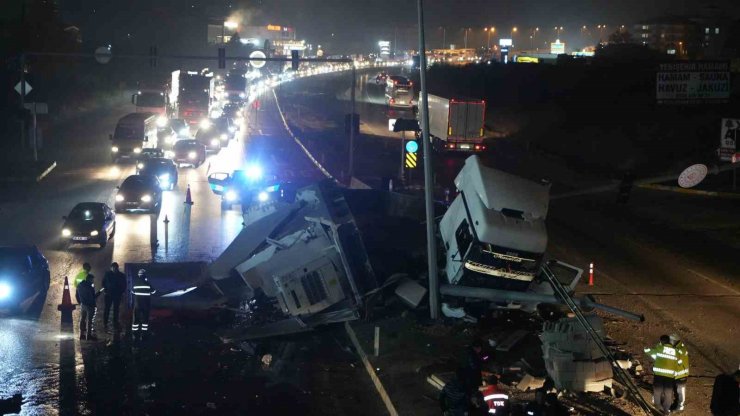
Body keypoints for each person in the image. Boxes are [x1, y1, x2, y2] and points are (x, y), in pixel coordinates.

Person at [644, 334, 678, 414]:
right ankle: (666, 410)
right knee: (668, 392)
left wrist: (646, 348)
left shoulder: (660, 348)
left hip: (659, 374)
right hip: (670, 376)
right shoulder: (675, 351)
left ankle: (657, 407)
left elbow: (648, 351)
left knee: (658, 391)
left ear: (661, 341)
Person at [131, 269, 156, 339]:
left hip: (137, 305)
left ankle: (135, 333)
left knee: (136, 318)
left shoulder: (135, 284)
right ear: (145, 275)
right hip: (145, 305)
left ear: (138, 275)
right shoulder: (147, 283)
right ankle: (144, 333)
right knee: (145, 319)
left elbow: (132, 292)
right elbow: (154, 292)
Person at [101, 262, 126, 331]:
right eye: (113, 268)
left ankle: (115, 322)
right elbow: (103, 283)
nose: (114, 269)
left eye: (115, 268)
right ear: (111, 268)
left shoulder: (121, 275)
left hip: (117, 295)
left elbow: (124, 285)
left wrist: (121, 292)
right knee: (107, 309)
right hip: (109, 295)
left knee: (116, 309)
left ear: (117, 268)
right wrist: (105, 290)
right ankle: (105, 322)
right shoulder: (107, 274)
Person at [75, 273, 100, 340]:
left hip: (83, 304)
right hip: (90, 305)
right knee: (89, 321)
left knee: (82, 319)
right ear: (89, 279)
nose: (93, 281)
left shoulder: (79, 285)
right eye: (92, 280)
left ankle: (81, 335)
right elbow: (93, 297)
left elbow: (76, 295)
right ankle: (88, 336)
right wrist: (99, 292)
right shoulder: (90, 287)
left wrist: (80, 302)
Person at [670, 333, 690, 412]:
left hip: (681, 375)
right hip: (676, 375)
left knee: (680, 391)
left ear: (675, 341)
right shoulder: (675, 348)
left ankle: (680, 406)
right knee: (676, 391)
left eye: (671, 340)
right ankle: (676, 404)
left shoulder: (681, 349)